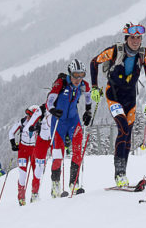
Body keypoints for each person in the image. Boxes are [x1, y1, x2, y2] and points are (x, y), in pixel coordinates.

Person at [90, 23, 146, 187]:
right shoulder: (115, 50)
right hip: (113, 95)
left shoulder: (144, 54)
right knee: (123, 128)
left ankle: (123, 174)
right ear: (126, 38)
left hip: (130, 98)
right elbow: (94, 62)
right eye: (132, 38)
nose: (136, 41)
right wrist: (94, 87)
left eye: (138, 37)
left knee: (127, 135)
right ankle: (119, 174)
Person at [46, 59, 92, 196]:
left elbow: (88, 97)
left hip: (73, 120)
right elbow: (49, 100)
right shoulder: (61, 83)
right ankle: (55, 184)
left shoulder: (83, 85)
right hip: (59, 122)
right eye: (75, 75)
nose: (78, 79)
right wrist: (53, 110)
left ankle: (74, 182)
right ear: (69, 74)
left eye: (81, 75)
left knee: (78, 149)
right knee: (58, 155)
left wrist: (88, 111)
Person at [22, 103, 54, 202]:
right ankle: (34, 193)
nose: (29, 116)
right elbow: (28, 128)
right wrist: (35, 127)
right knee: (39, 167)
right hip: (42, 140)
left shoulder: (55, 108)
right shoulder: (39, 112)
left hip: (53, 137)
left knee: (57, 161)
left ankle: (55, 187)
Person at [8, 105, 39, 206]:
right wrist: (13, 144)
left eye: (31, 115)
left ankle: (34, 194)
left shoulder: (38, 123)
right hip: (23, 150)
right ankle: (21, 198)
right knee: (23, 174)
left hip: (34, 149)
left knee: (36, 172)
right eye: (28, 114)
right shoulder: (22, 122)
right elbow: (11, 132)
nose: (28, 117)